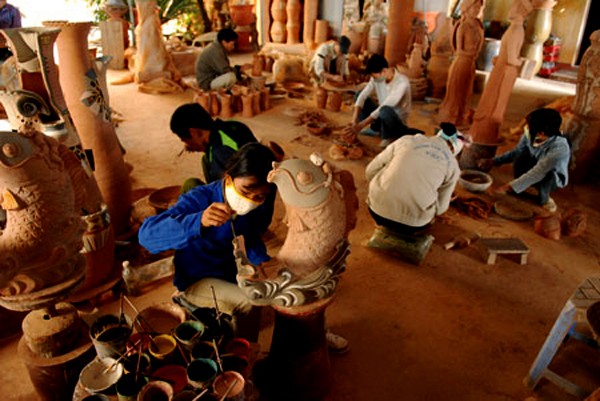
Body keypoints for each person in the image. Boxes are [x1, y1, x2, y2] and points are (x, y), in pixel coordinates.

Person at [139, 143, 276, 341]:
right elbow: (146, 236)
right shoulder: (200, 199)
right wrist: (198, 221)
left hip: (230, 272)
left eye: (259, 196)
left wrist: (262, 262)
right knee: (250, 302)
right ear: (229, 178)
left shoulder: (255, 207)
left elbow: (251, 238)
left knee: (274, 287)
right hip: (197, 278)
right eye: (245, 190)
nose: (250, 200)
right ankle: (246, 352)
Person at [366, 122, 463, 234]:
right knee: (431, 196)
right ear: (453, 149)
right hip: (413, 225)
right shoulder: (453, 165)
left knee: (388, 167)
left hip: (376, 211)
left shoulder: (407, 140)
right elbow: (441, 209)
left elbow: (370, 170)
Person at [477, 108, 570, 213]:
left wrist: (506, 187)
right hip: (535, 165)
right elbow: (516, 152)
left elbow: (538, 172)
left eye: (531, 127)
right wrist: (493, 161)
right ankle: (518, 188)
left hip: (551, 177)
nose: (527, 128)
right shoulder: (531, 134)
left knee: (548, 177)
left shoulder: (560, 149)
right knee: (520, 157)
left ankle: (545, 198)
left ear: (541, 133)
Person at [170, 103, 257, 190]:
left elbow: (229, 190)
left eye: (185, 140)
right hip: (261, 182)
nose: (187, 144)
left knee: (190, 185)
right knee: (206, 159)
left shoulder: (219, 152)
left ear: (194, 132)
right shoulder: (234, 125)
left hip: (249, 195)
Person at [344, 54, 416, 148]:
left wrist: (361, 126)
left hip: (396, 122)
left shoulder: (402, 83)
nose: (373, 79)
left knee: (384, 110)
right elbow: (363, 95)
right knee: (358, 95)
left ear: (384, 71)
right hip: (382, 115)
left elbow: (384, 106)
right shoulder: (378, 77)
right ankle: (376, 129)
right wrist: (354, 120)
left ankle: (388, 136)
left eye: (374, 76)